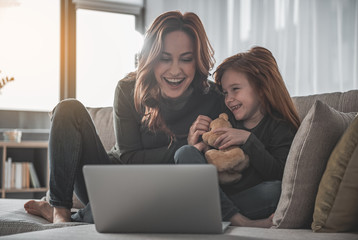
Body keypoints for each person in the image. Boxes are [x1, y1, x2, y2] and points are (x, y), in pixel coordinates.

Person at [23, 11, 224, 223]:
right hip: (111, 179)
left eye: (186, 59)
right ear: (151, 59)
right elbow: (130, 158)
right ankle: (60, 212)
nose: (175, 70)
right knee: (68, 108)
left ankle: (76, 214)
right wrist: (187, 144)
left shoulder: (212, 98)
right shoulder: (128, 89)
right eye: (164, 58)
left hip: (161, 194)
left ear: (197, 61)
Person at [175, 46, 300, 228]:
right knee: (184, 152)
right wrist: (197, 147)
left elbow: (280, 173)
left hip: (246, 198)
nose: (229, 98)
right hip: (214, 195)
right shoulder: (225, 119)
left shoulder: (280, 127)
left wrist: (248, 140)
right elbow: (211, 161)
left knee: (275, 190)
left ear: (261, 88)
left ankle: (204, 215)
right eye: (226, 93)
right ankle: (240, 222)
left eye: (235, 89)